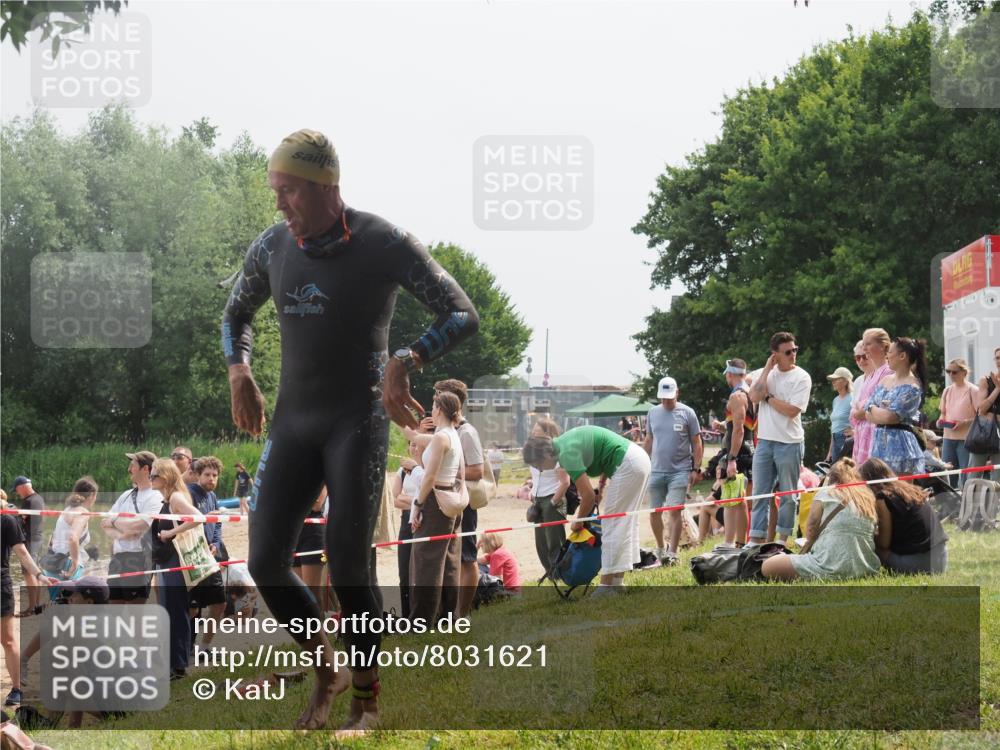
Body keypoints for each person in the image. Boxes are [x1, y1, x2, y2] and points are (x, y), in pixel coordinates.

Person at [223, 129, 477, 731]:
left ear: (326, 186)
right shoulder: (271, 247)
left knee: (347, 560)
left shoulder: (382, 241)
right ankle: (326, 670)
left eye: (289, 192)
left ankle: (366, 700)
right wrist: (240, 371)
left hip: (355, 422)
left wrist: (405, 360)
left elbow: (462, 312)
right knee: (264, 561)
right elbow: (236, 311)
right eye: (275, 192)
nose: (280, 205)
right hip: (294, 420)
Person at [522, 425, 651, 596]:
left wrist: (578, 521)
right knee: (624, 524)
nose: (540, 470)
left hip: (629, 463)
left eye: (538, 465)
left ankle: (606, 587)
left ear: (545, 455)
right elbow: (605, 454)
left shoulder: (566, 454)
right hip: (635, 459)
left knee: (612, 526)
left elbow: (588, 496)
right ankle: (617, 582)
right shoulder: (564, 443)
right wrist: (602, 486)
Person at [761, 459, 880, 581]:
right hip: (866, 567)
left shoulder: (825, 493)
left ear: (830, 477)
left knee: (767, 566)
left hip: (827, 565)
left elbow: (811, 530)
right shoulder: (867, 498)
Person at [748, 332, 813, 545]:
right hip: (765, 442)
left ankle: (783, 540)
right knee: (760, 494)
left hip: (790, 443)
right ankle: (756, 538)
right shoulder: (766, 373)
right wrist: (767, 369)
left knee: (788, 495)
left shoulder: (802, 377)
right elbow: (753, 396)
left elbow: (792, 410)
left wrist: (769, 398)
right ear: (775, 355)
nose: (793, 354)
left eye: (795, 349)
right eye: (788, 352)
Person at [408, 392, 465, 625]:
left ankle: (422, 620)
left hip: (435, 501)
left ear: (439, 409)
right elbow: (413, 436)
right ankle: (447, 615)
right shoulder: (451, 434)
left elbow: (430, 477)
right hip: (449, 499)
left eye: (433, 406)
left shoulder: (442, 437)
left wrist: (418, 504)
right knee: (449, 561)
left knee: (427, 562)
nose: (431, 409)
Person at [149, 458, 204, 680]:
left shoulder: (176, 497)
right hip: (166, 564)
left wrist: (171, 533)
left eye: (154, 475)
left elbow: (199, 518)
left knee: (176, 612)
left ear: (165, 476)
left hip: (175, 564)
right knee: (168, 611)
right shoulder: (167, 498)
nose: (151, 479)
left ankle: (179, 665)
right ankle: (173, 662)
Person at [2, 496, 56, 708]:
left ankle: (16, 689)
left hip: (1, 585)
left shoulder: (6, 520)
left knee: (7, 640)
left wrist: (40, 575)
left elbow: (23, 553)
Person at [643, 376, 703, 564]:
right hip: (656, 470)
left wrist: (695, 468)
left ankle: (673, 553)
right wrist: (644, 465)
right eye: (663, 398)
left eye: (669, 397)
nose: (666, 401)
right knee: (655, 512)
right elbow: (648, 440)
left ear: (677, 393)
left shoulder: (688, 413)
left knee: (675, 511)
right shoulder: (652, 413)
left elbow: (697, 442)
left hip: (680, 471)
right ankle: (661, 548)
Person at [860, 458, 948, 574]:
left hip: (921, 564)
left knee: (871, 546)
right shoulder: (909, 489)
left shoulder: (882, 498)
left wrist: (869, 535)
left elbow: (884, 544)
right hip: (942, 557)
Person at [102, 451, 163, 604]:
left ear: (146, 469)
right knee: (114, 605)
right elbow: (104, 522)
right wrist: (121, 535)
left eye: (133, 465)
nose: (129, 469)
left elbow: (139, 525)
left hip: (139, 557)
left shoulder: (156, 496)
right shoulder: (126, 494)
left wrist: (115, 521)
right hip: (118, 556)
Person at [708, 358, 756, 547]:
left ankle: (729, 543)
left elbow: (739, 430)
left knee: (730, 500)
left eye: (727, 374)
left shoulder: (737, 396)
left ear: (730, 374)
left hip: (739, 454)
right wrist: (722, 427)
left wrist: (731, 459)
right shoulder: (750, 394)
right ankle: (739, 543)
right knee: (741, 501)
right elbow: (742, 427)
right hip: (746, 451)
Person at [867, 337, 928, 476]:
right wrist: (873, 410)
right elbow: (867, 414)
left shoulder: (912, 387)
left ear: (902, 356)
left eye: (890, 351)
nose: (887, 355)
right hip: (879, 445)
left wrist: (872, 408)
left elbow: (891, 417)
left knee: (902, 494)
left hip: (901, 449)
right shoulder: (885, 380)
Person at [187, 456, 228, 648]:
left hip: (210, 557)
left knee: (220, 603)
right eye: (207, 475)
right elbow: (184, 522)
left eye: (215, 475)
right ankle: (186, 647)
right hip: (193, 556)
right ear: (197, 475)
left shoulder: (212, 496)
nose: (211, 478)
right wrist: (204, 517)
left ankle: (204, 647)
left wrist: (216, 544)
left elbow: (217, 523)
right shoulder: (189, 493)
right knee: (193, 608)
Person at [524, 418, 572, 574]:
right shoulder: (534, 452)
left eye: (537, 432)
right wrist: (530, 487)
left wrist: (553, 503)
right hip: (537, 499)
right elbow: (537, 475)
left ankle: (561, 574)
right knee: (541, 541)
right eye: (533, 432)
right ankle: (550, 573)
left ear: (548, 434)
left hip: (553, 497)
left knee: (554, 540)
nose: (533, 434)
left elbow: (565, 482)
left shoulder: (556, 454)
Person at [392, 442, 424, 619]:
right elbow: (395, 499)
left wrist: (409, 500)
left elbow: (429, 498)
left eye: (418, 444)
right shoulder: (402, 471)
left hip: (423, 521)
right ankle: (406, 615)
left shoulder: (427, 468)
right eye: (412, 445)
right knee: (404, 572)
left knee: (420, 571)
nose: (415, 448)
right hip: (406, 522)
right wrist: (416, 501)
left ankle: (420, 614)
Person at [41, 482, 98, 583]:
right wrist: (75, 564)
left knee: (56, 598)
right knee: (72, 598)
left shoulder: (66, 510)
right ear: (92, 495)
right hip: (68, 564)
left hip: (53, 562)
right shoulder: (83, 512)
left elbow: (52, 538)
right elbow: (73, 538)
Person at [851, 328, 892, 464]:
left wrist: (861, 410)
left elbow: (881, 403)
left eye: (868, 344)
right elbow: (860, 405)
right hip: (863, 434)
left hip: (878, 435)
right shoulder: (870, 375)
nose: (865, 348)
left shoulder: (888, 371)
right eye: (864, 344)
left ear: (882, 346)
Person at [936, 359, 976, 489]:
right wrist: (941, 420)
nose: (951, 375)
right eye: (948, 371)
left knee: (966, 475)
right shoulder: (947, 390)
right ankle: (950, 506)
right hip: (948, 438)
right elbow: (943, 412)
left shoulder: (973, 390)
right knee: (948, 475)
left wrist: (964, 423)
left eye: (954, 372)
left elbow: (980, 416)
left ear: (964, 372)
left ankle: (966, 505)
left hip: (966, 439)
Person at [10, 477, 45, 616]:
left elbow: (20, 519)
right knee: (36, 572)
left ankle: (31, 608)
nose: (17, 493)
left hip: (30, 539)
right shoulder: (38, 499)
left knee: (29, 573)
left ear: (22, 487)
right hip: (38, 538)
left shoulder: (29, 501)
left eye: (17, 490)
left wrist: (11, 512)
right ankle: (36, 605)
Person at [291, 488, 329, 606]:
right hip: (293, 531)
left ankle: (317, 622)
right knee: (299, 593)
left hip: (312, 531)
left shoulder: (319, 473)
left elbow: (316, 505)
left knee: (311, 594)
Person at [970, 347, 1000, 481]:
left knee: (998, 477)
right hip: (984, 431)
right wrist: (998, 389)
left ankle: (996, 502)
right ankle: (969, 501)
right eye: (997, 358)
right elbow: (981, 409)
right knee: (974, 473)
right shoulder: (986, 380)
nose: (999, 361)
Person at [825, 366, 854, 461]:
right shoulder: (835, 400)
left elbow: (862, 420)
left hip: (846, 440)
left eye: (836, 379)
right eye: (832, 379)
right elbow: (834, 427)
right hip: (835, 440)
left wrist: (855, 432)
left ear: (846, 381)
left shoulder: (853, 398)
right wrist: (830, 451)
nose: (833, 381)